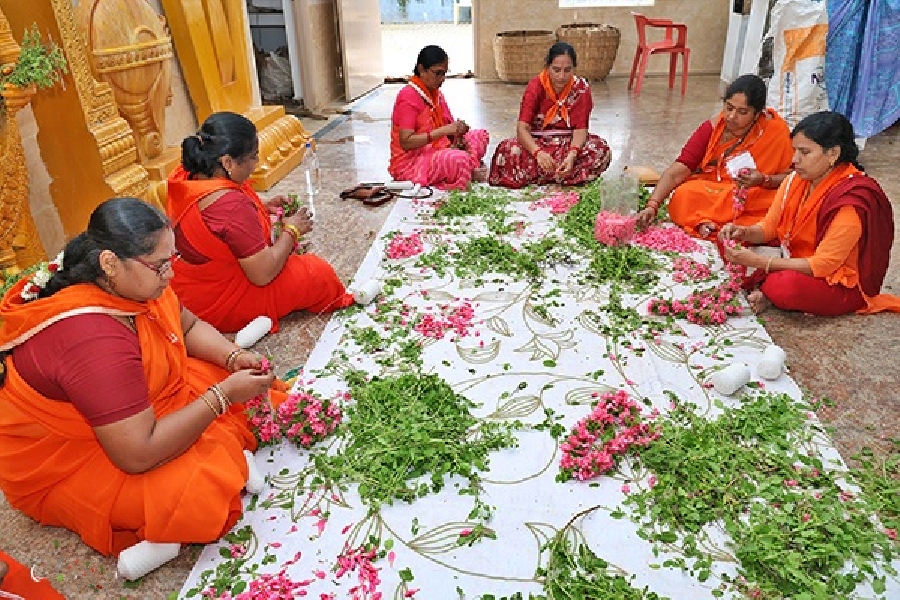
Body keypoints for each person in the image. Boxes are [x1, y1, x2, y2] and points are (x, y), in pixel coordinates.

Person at [0, 198, 285, 558]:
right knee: (199, 490)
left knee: (253, 388)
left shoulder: (133, 283)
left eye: (172, 260)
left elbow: (188, 325)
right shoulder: (92, 339)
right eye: (160, 266)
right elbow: (137, 455)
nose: (171, 275)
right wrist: (223, 396)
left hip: (134, 408)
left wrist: (232, 357)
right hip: (75, 453)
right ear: (109, 262)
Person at [167, 111, 355, 334]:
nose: (256, 163)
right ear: (227, 162)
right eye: (253, 157)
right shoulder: (232, 206)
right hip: (218, 303)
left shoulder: (188, 175)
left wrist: (261, 207)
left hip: (187, 293)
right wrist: (292, 230)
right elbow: (262, 274)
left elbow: (215, 221)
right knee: (317, 273)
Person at [720, 111, 900, 316]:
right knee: (728, 242)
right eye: (795, 151)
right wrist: (744, 233)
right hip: (794, 258)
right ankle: (766, 288)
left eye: (804, 153)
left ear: (833, 154)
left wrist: (759, 263)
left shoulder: (851, 200)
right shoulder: (795, 180)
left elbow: (824, 265)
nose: (794, 160)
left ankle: (767, 289)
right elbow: (769, 228)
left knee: (784, 287)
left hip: (837, 282)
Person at [636, 74, 794, 238]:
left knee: (782, 206)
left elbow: (792, 178)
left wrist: (763, 179)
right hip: (714, 191)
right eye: (729, 107)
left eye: (742, 112)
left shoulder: (776, 131)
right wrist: (652, 205)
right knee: (683, 195)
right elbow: (680, 169)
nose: (732, 116)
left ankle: (716, 226)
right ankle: (726, 228)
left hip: (756, 193)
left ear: (757, 114)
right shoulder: (712, 127)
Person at [488, 42, 611, 189]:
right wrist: (538, 153)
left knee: (600, 149)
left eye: (567, 70)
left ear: (574, 68)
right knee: (509, 150)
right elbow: (522, 128)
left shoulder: (581, 89)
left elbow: (580, 129)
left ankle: (546, 174)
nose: (561, 76)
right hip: (537, 143)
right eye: (556, 70)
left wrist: (572, 155)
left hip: (567, 143)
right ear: (547, 67)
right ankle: (561, 175)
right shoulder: (536, 86)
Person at [389, 45, 490, 190]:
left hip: (437, 151)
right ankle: (465, 171)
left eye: (444, 73)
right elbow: (406, 142)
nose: (442, 79)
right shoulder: (408, 96)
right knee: (459, 160)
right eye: (438, 73)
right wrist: (443, 132)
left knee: (480, 135)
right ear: (422, 69)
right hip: (412, 161)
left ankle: (462, 170)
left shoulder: (436, 94)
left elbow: (448, 131)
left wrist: (458, 137)